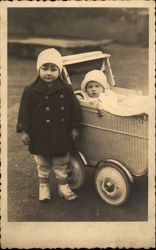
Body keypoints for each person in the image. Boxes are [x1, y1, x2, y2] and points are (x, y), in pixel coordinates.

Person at [16, 48, 82, 202]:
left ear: (59, 70)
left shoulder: (66, 89)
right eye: (45, 68)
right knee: (42, 163)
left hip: (60, 133)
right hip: (40, 133)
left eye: (53, 69)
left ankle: (63, 186)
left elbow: (74, 109)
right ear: (39, 69)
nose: (49, 73)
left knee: (61, 162)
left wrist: (74, 127)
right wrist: (24, 131)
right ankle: (44, 186)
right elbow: (24, 112)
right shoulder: (30, 90)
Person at [77, 69, 149, 116]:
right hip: (97, 116)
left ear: (103, 88)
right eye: (90, 87)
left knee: (131, 104)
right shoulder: (86, 95)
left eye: (97, 86)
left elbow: (112, 98)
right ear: (85, 89)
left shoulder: (106, 94)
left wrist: (100, 101)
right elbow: (79, 94)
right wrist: (78, 96)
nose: (93, 89)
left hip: (110, 109)